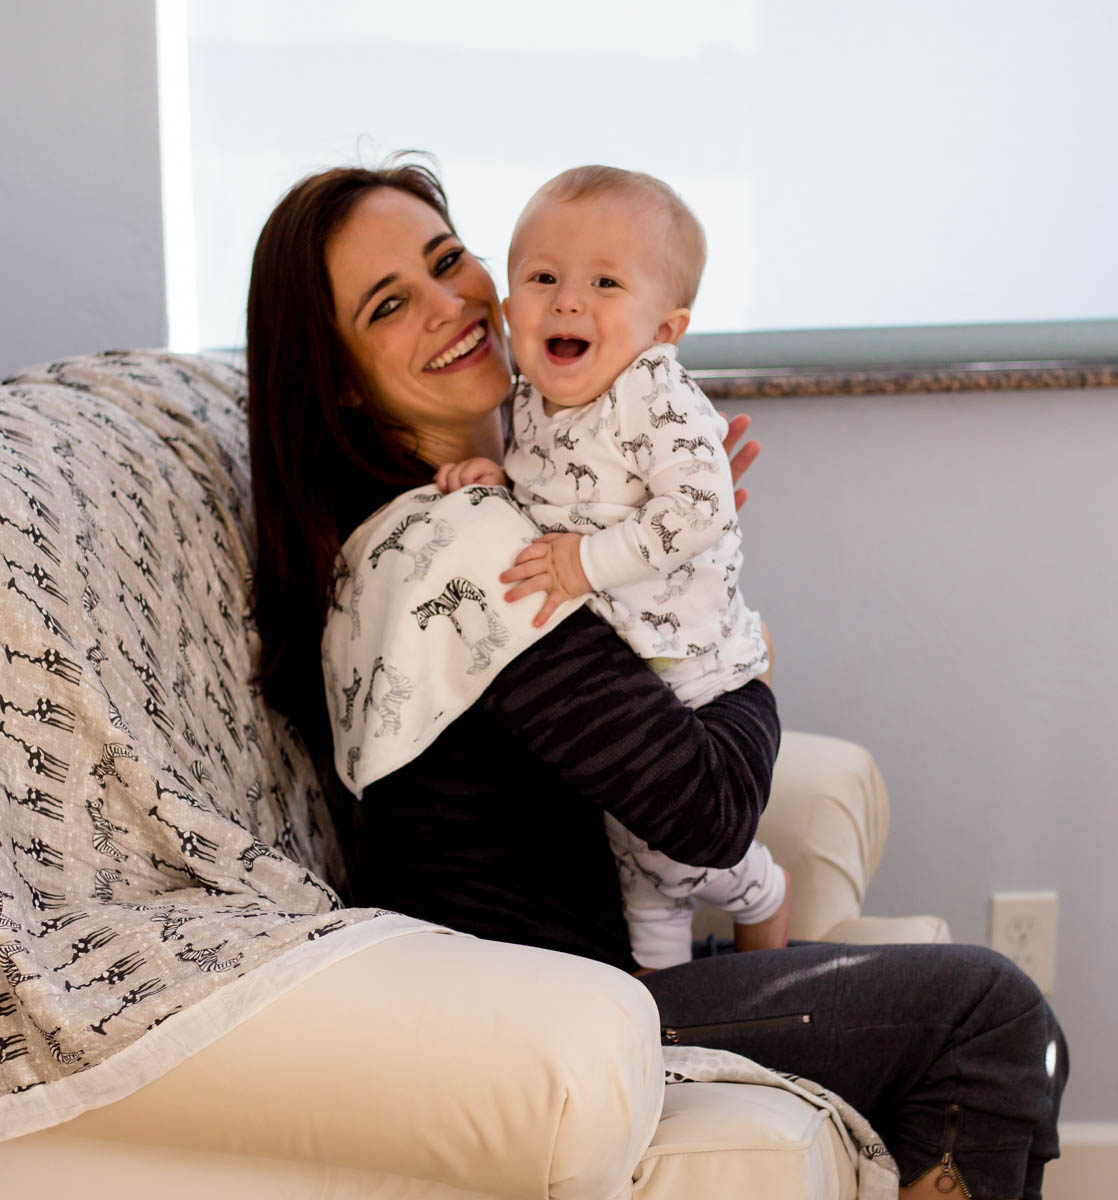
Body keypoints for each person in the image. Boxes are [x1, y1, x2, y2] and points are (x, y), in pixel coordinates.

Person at [245, 158, 1067, 1200]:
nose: (450, 303)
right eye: (389, 304)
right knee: (992, 1016)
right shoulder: (469, 553)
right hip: (550, 1020)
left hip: (570, 986)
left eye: (448, 261)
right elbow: (712, 813)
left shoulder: (477, 512)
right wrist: (741, 653)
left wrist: (658, 570)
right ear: (337, 379)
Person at [432, 165, 788, 971]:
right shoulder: (531, 398)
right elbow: (554, 492)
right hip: (634, 675)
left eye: (604, 282)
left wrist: (584, 562)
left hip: (694, 670)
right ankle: (677, 1014)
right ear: (511, 305)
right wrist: (496, 482)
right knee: (644, 894)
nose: (568, 301)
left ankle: (764, 915)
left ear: (664, 330)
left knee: (683, 862)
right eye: (543, 278)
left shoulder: (651, 390)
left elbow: (701, 508)